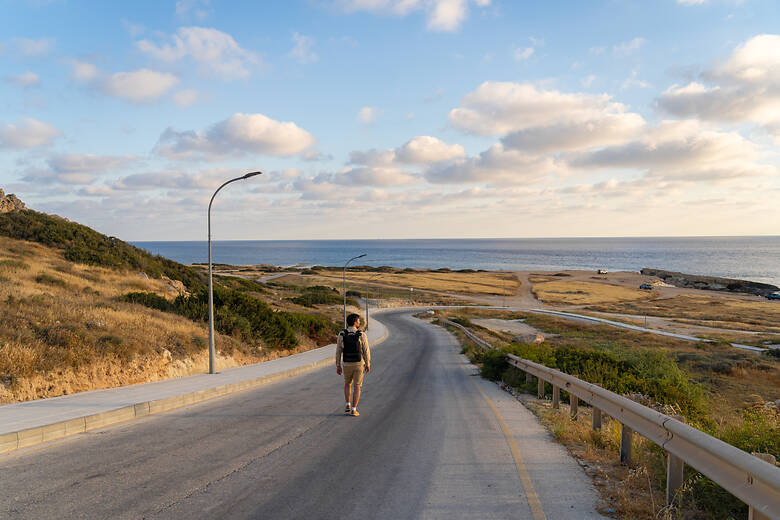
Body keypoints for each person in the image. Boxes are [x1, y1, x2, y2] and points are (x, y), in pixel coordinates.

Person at [335, 313, 371, 416]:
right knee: (357, 387)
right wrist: (368, 363)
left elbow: (338, 350)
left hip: (346, 363)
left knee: (347, 384)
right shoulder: (361, 334)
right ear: (355, 322)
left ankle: (347, 403)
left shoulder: (342, 334)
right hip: (359, 364)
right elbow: (366, 350)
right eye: (359, 321)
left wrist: (338, 364)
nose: (359, 323)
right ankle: (354, 409)